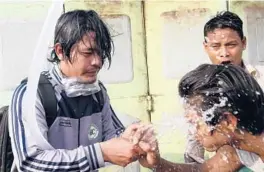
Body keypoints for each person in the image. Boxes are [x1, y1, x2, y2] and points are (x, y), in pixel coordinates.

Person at [8, 9, 155, 172]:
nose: (97, 62)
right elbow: (30, 162)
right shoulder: (32, 94)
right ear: (60, 51)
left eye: (101, 53)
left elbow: (112, 137)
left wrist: (131, 139)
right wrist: (100, 153)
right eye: (88, 52)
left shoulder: (97, 94)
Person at [146, 64, 264, 172]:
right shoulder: (238, 149)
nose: (192, 132)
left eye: (195, 124)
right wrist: (156, 164)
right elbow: (203, 170)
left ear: (228, 121)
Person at [184, 10, 264, 164]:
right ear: (206, 47)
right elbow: (193, 142)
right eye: (216, 46)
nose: (224, 53)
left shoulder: (261, 78)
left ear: (244, 43)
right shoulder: (199, 89)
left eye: (231, 45)